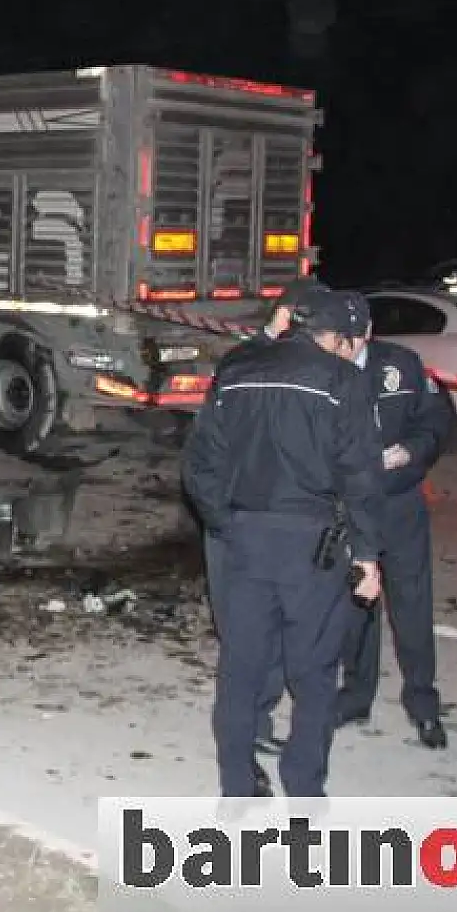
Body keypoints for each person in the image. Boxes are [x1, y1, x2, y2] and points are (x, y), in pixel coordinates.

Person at [183, 290, 386, 798]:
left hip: (245, 541)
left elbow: (199, 465)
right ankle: (304, 791)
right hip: (312, 547)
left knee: (240, 668)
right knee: (314, 674)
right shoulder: (343, 381)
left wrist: (226, 524)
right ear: (337, 339)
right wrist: (366, 556)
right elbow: (361, 477)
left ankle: (236, 786)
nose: (356, 352)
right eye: (354, 342)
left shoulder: (236, 369)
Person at [199, 276, 322, 776]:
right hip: (236, 520)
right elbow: (205, 457)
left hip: (266, 520)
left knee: (268, 630)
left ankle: (258, 723)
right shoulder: (243, 365)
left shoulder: (307, 368)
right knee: (243, 636)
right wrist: (221, 518)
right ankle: (242, 742)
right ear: (289, 318)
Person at [337, 333, 456, 748]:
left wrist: (409, 450)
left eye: (346, 341)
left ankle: (423, 704)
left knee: (412, 604)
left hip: (399, 502)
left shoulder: (402, 365)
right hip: (348, 504)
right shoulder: (323, 366)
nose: (340, 349)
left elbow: (438, 419)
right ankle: (355, 696)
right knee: (356, 603)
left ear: (364, 333)